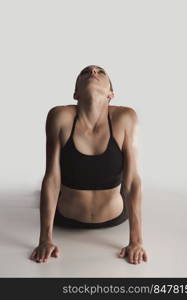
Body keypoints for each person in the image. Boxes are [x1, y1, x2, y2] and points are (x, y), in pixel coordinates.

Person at [30, 65, 148, 265]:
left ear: (111, 94)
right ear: (75, 93)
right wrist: (45, 239)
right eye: (85, 72)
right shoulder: (60, 117)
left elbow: (132, 180)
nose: (93, 72)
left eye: (100, 72)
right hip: (65, 219)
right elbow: (52, 177)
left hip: (114, 218)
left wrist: (136, 241)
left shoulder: (125, 118)